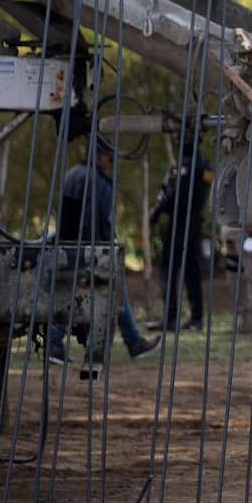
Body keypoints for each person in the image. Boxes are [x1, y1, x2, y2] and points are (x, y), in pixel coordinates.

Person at [47, 139, 160, 376]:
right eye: (108, 158)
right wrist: (106, 250)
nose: (109, 163)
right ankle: (129, 342)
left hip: (67, 248)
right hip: (90, 250)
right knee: (96, 293)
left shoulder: (72, 174)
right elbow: (96, 220)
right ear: (101, 157)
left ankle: (131, 341)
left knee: (85, 294)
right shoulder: (97, 181)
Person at [147, 141, 212, 332]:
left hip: (180, 222)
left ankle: (170, 317)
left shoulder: (185, 165)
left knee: (169, 267)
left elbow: (175, 193)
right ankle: (196, 318)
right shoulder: (205, 166)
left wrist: (157, 210)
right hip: (194, 223)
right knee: (192, 269)